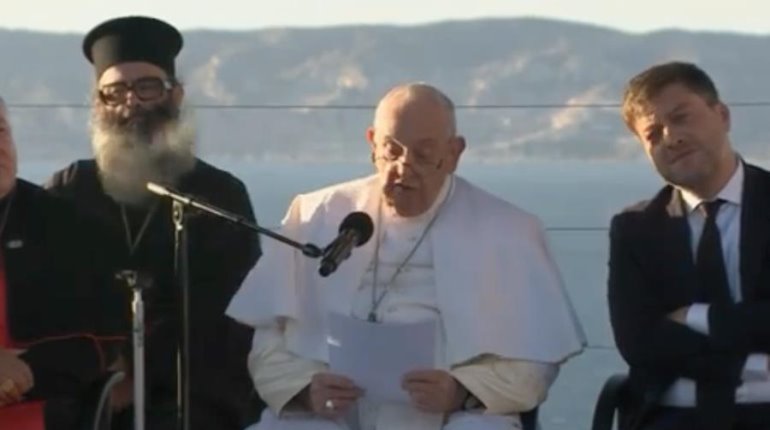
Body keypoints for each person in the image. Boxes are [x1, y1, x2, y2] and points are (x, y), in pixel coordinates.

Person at [226, 82, 585, 430]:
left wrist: (462, 392)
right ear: (371, 144)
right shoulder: (315, 214)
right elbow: (269, 339)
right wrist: (305, 390)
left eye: (423, 154)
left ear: (454, 153)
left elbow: (535, 361)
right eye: (392, 150)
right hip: (330, 415)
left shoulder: (509, 229)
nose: (403, 167)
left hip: (453, 417)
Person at [45, 16, 263, 430]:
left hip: (190, 396)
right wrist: (108, 373)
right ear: (98, 104)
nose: (132, 103)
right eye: (115, 92)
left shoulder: (219, 195)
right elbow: (47, 297)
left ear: (175, 95)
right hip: (88, 393)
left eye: (147, 87)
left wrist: (142, 374)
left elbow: (228, 318)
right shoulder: (69, 190)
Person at [608, 61, 770, 430]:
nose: (671, 137)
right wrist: (751, 367)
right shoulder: (635, 229)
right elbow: (639, 341)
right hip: (675, 417)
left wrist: (696, 317)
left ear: (722, 115)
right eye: (653, 134)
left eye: (682, 118)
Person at [0, 97, 128, 429]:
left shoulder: (65, 226)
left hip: (33, 407)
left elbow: (105, 338)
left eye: (1, 131)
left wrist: (25, 371)